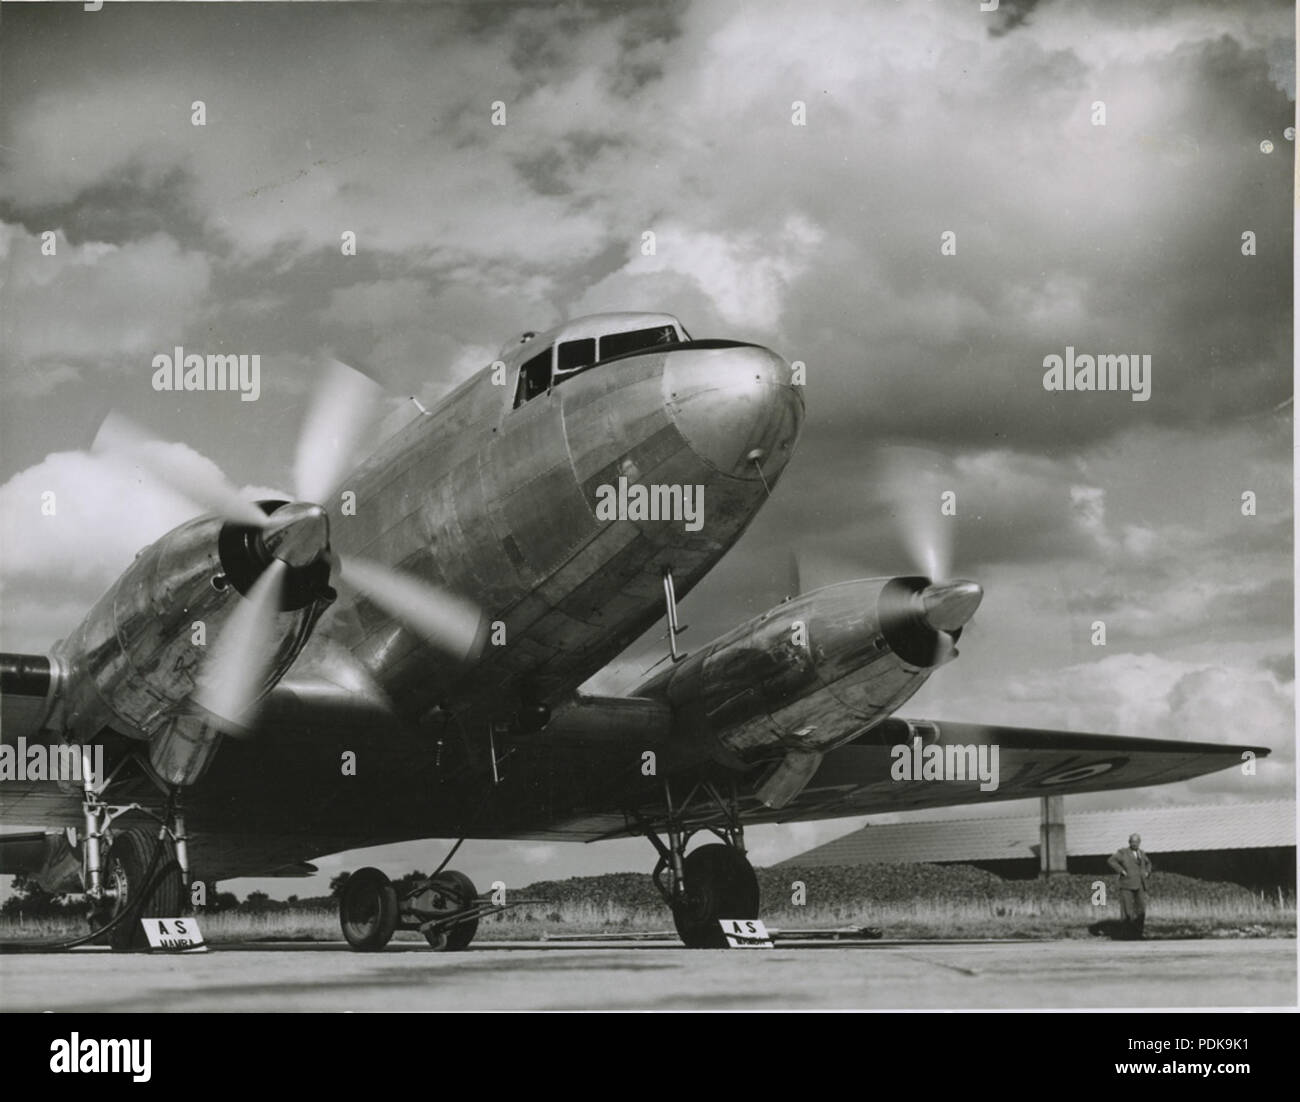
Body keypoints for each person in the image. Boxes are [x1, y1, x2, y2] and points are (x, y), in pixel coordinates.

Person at [1107, 833, 1153, 939]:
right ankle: (1126, 935)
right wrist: (1121, 871)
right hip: (1127, 884)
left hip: (1141, 885)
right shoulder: (1123, 852)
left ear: (1139, 843)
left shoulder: (1141, 853)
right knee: (1127, 911)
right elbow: (1111, 860)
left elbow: (1148, 863)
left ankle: (1138, 934)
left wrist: (1147, 872)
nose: (1135, 844)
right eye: (1133, 842)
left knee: (1141, 910)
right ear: (1129, 842)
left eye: (1137, 842)